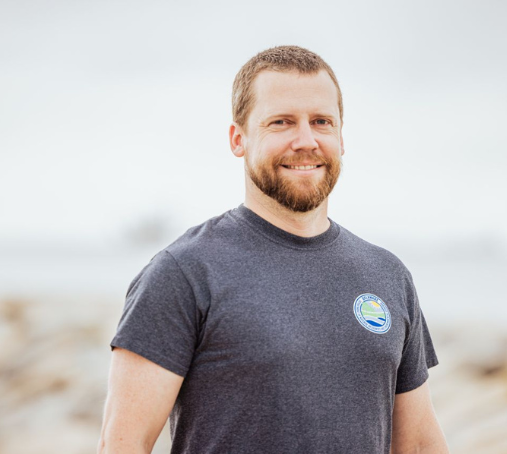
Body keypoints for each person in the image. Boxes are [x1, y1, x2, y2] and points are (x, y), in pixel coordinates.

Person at [97, 45, 449, 454]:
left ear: (340, 136)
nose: (306, 141)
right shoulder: (184, 272)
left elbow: (420, 444)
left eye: (321, 122)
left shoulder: (388, 275)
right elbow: (122, 444)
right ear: (238, 138)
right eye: (281, 122)